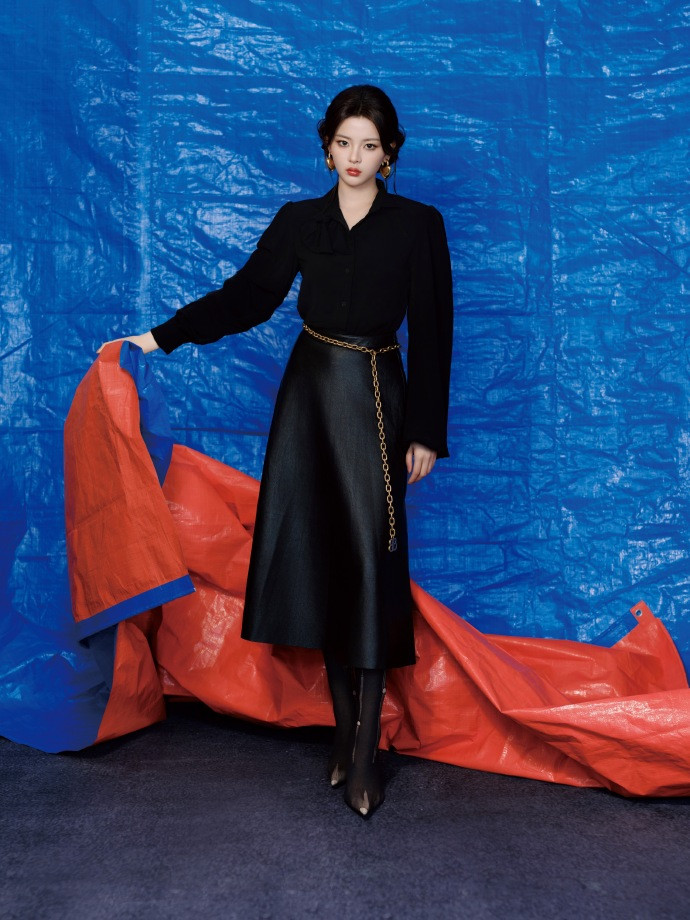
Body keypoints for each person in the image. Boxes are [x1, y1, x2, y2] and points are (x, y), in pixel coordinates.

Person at [97, 84, 454, 818]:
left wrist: (424, 431)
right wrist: (159, 337)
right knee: (322, 559)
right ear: (327, 148)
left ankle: (366, 752)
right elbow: (247, 297)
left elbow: (435, 329)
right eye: (344, 143)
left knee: (371, 564)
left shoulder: (418, 225)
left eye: (370, 146)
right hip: (308, 399)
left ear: (389, 156)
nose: (355, 157)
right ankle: (344, 733)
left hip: (376, 397)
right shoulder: (299, 221)